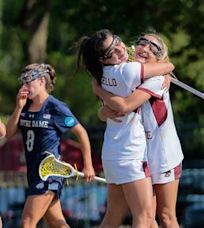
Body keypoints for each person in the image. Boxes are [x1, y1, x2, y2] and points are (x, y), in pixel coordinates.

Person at [76, 29, 175, 228]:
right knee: (145, 217)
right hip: (130, 152)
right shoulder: (128, 71)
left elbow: (107, 110)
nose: (120, 49)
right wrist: (165, 71)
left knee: (113, 217)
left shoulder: (101, 75)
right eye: (110, 52)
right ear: (103, 60)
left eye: (118, 42)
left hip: (113, 153)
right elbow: (169, 65)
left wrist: (100, 99)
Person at [5, 63, 95, 228]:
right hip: (34, 172)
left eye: (27, 82)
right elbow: (9, 133)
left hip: (50, 172)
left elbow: (81, 133)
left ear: (40, 81)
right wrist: (18, 107)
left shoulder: (56, 107)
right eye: (22, 83)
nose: (24, 87)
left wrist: (88, 165)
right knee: (56, 223)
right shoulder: (25, 106)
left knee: (27, 222)